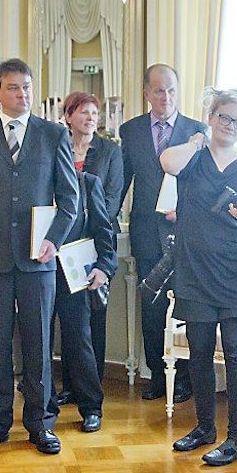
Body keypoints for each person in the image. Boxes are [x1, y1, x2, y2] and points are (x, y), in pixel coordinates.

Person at [0, 58, 78, 456]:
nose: (22, 94)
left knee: (38, 343)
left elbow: (70, 199)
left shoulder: (53, 134)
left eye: (27, 87)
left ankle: (41, 424)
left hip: (37, 258)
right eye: (13, 87)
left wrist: (54, 240)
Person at [161, 88, 237, 466]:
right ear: (210, 116)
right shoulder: (193, 158)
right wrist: (196, 142)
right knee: (199, 352)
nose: (230, 125)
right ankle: (204, 428)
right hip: (196, 270)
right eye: (223, 117)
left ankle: (236, 439)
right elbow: (167, 162)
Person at [120, 64, 205, 402]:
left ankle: (184, 378)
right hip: (145, 231)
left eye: (171, 90)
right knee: (152, 306)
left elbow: (205, 184)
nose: (166, 97)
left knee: (186, 304)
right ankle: (157, 375)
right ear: (147, 94)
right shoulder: (131, 131)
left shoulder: (197, 131)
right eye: (158, 90)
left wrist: (189, 211)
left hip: (187, 231)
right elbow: (121, 182)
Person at [59, 91, 123, 400]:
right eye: (83, 112)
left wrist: (87, 230)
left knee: (93, 318)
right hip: (61, 244)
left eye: (94, 113)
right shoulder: (58, 148)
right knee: (68, 320)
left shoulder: (110, 151)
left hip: (96, 242)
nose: (90, 118)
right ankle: (69, 387)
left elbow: (112, 199)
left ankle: (92, 388)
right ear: (68, 117)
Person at [47, 164, 117, 433]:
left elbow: (103, 228)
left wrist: (104, 266)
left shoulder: (87, 183)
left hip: (75, 274)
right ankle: (44, 406)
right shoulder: (33, 183)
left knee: (79, 339)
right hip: (36, 273)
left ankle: (91, 408)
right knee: (38, 340)